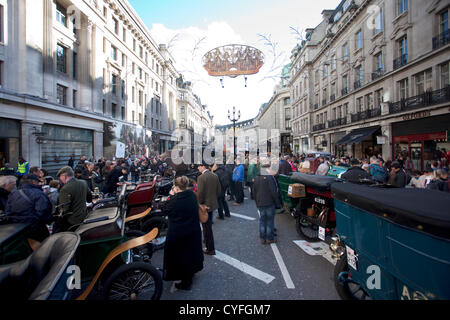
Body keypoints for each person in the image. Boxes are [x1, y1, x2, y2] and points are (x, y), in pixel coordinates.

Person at [163, 176, 204, 291]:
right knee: (191, 254)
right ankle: (191, 273)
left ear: (176, 187)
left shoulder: (175, 200)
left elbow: (165, 209)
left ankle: (186, 282)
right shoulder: (191, 195)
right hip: (193, 230)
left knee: (182, 257)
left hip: (179, 233)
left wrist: (171, 196)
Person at [4, 174, 53, 242]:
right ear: (33, 182)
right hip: (35, 230)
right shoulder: (38, 193)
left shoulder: (13, 194)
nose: (38, 183)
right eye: (37, 181)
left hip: (17, 230)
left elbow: (8, 212)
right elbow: (43, 212)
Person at [55, 166, 92, 232]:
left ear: (64, 176)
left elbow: (64, 209)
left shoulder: (65, 189)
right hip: (84, 216)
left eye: (60, 177)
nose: (60, 179)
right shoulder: (83, 183)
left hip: (72, 221)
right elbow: (89, 198)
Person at [253, 159, 281, 244]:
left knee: (262, 220)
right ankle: (269, 238)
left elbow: (254, 191)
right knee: (270, 221)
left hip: (260, 202)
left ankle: (262, 238)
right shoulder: (269, 177)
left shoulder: (257, 178)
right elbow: (274, 191)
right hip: (269, 202)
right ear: (268, 168)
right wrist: (277, 203)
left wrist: (257, 202)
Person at [197, 163, 221, 255]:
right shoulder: (214, 175)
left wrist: (199, 204)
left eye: (199, 166)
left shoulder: (201, 178)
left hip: (204, 205)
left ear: (203, 166)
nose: (198, 168)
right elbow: (219, 191)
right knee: (208, 225)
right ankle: (207, 241)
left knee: (206, 227)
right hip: (213, 204)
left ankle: (210, 248)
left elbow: (200, 194)